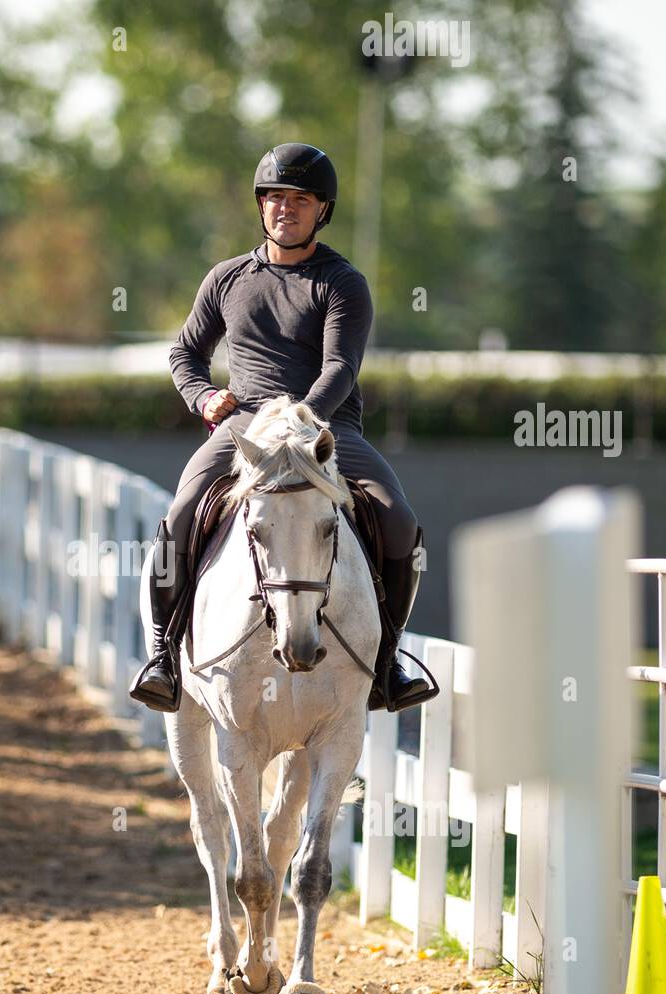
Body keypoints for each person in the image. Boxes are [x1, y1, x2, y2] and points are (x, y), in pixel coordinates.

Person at [129, 142, 437, 715]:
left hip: (326, 430)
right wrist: (203, 396)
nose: (284, 209)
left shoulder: (343, 282)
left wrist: (305, 421)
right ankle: (164, 657)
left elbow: (339, 368)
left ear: (323, 209)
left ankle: (387, 664)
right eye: (273, 198)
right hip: (245, 428)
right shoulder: (226, 278)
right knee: (180, 515)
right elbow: (184, 353)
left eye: (299, 199)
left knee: (398, 523)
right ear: (261, 205)